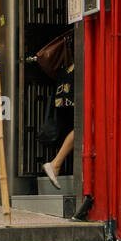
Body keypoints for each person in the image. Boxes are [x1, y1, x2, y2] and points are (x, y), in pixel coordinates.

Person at [43, 62, 85, 218]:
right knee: (84, 126)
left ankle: (56, 163)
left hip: (72, 81)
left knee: (84, 127)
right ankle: (56, 163)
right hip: (80, 81)